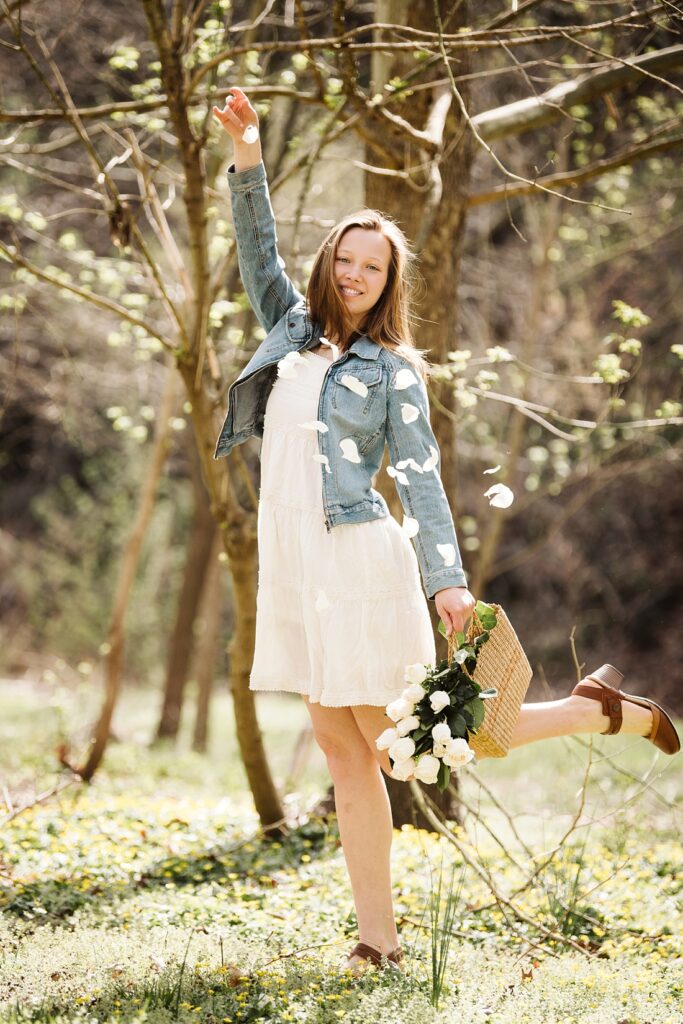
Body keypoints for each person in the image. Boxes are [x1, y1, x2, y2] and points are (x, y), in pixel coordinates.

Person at [211, 87, 681, 975]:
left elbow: (421, 482)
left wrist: (447, 581)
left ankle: (591, 711)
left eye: (371, 267)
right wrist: (248, 154)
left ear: (389, 283)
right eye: (344, 260)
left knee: (408, 744)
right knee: (346, 752)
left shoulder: (393, 373)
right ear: (326, 265)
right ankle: (376, 944)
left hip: (356, 558)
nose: (353, 275)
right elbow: (253, 245)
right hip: (294, 563)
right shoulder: (290, 326)